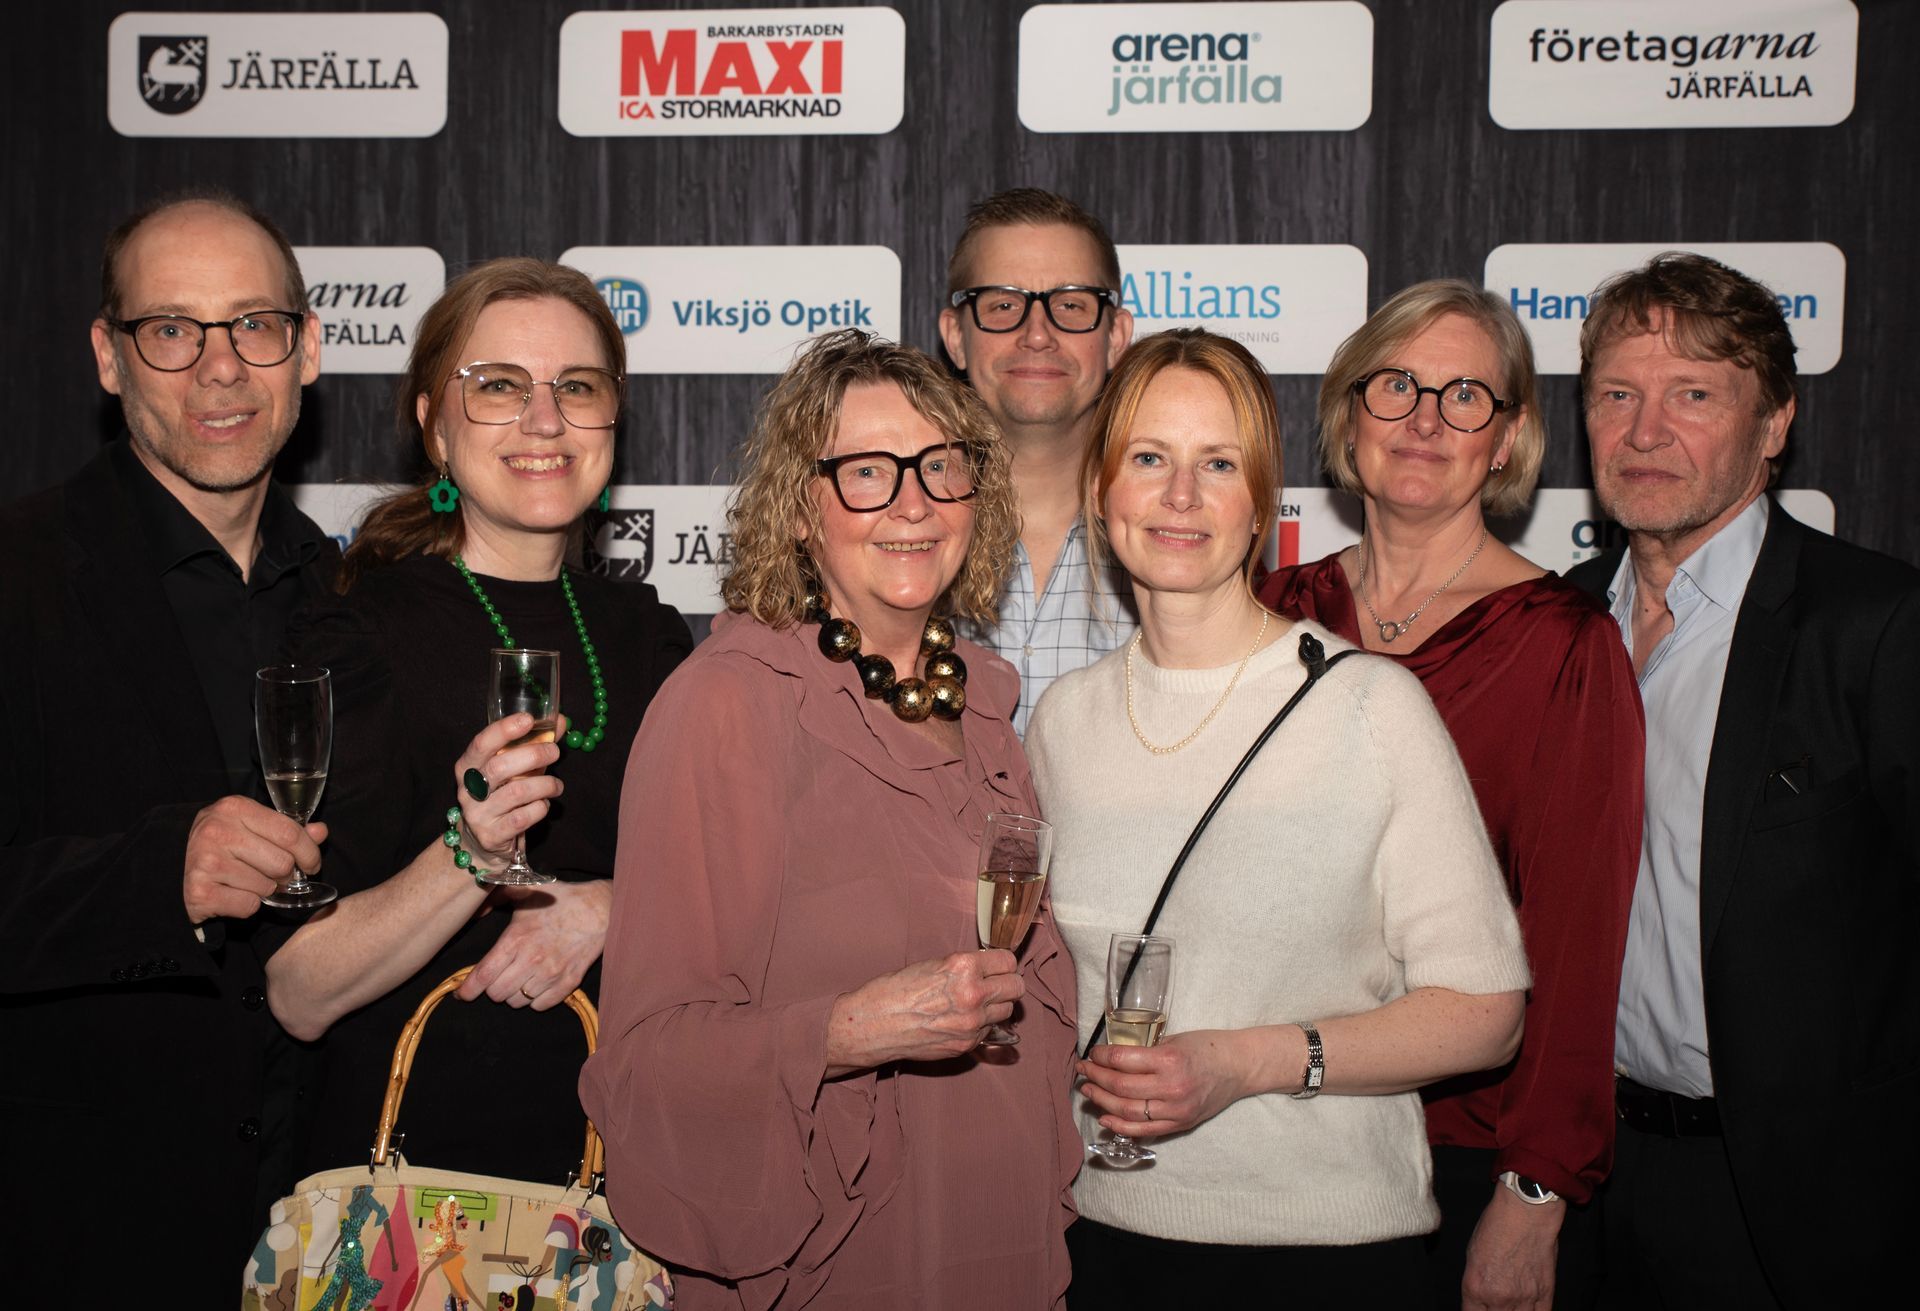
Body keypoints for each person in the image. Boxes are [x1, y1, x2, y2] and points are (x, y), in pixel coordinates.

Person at [1027, 327, 1533, 1308]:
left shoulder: (1368, 707)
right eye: (1148, 458)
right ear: (1099, 490)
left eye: (1218, 463)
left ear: (1261, 503)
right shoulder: (1062, 722)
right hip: (1102, 1241)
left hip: (1326, 1257)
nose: (1181, 495)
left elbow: (1486, 1014)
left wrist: (1247, 1061)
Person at [579, 330, 1080, 1310]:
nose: (912, 503)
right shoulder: (728, 706)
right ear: (802, 509)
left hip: (998, 1243)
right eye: (866, 471)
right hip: (844, 1267)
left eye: (940, 466)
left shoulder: (984, 705)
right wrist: (850, 1030)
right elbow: (647, 1064)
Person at [263, 258, 691, 1187]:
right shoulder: (358, 632)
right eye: (499, 385)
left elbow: (739, 897)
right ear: (435, 425)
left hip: (625, 1193)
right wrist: (472, 852)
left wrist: (615, 905)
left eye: (577, 387)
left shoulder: (649, 634)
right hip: (412, 1200)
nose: (545, 419)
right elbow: (298, 988)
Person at [1259, 281, 1643, 1310]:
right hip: (1270, 1128)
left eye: (1465, 395)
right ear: (1349, 412)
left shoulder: (1565, 645)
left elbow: (1578, 936)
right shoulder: (1271, 611)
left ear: (1507, 439)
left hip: (1467, 1154)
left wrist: (1536, 1186)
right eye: (1396, 386)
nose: (1425, 419)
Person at [1566, 252, 1919, 1309]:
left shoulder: (1874, 626)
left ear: (1773, 426)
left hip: (1805, 1208)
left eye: (1693, 396)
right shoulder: (1559, 620)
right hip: (1585, 1181)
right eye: (1617, 395)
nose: (1644, 432)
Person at [0, 192, 334, 1292]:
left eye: (254, 325)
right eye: (173, 330)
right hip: (78, 1236)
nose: (221, 368)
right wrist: (160, 877)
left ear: (307, 349)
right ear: (109, 357)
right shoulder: (19, 576)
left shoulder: (352, 597)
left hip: (328, 1239)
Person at [938, 187, 1137, 732]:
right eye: (1003, 305)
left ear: (1115, 337)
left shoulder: (1175, 530)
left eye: (1071, 305)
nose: (1037, 334)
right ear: (955, 337)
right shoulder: (898, 530)